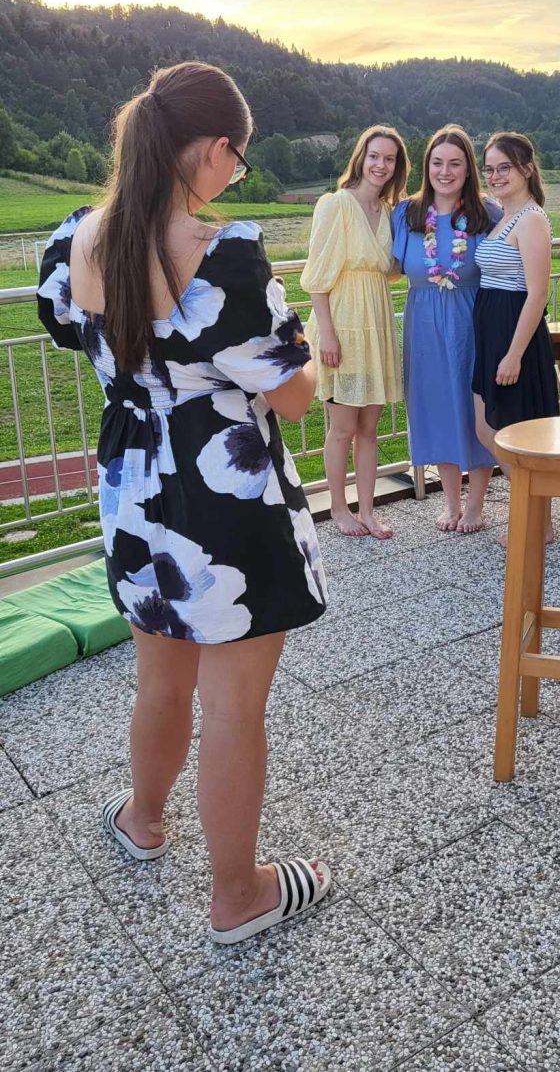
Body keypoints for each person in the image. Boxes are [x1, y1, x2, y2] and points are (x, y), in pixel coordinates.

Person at [37, 61, 331, 946]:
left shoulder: (75, 239)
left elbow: (74, 328)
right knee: (234, 708)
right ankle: (238, 894)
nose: (234, 176)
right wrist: (299, 339)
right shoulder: (224, 257)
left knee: (160, 677)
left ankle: (143, 819)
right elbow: (295, 395)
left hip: (134, 493)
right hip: (224, 501)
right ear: (213, 148)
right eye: (237, 160)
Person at [301, 125, 409, 539]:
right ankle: (338, 508)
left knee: (369, 429)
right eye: (374, 156)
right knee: (342, 427)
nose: (381, 165)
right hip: (343, 324)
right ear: (361, 157)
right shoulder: (336, 205)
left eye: (389, 159)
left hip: (375, 325)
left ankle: (367, 510)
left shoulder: (389, 212)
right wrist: (327, 334)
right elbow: (316, 277)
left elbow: (392, 270)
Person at [392, 124, 500, 532]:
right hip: (422, 323)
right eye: (437, 162)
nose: (445, 171)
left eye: (455, 163)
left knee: (474, 409)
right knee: (436, 406)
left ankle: (475, 505)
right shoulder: (407, 213)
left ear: (468, 169)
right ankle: (451, 502)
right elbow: (389, 265)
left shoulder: (486, 213)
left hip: (473, 321)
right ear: (427, 167)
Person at [472, 131, 559, 542]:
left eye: (504, 167)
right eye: (489, 169)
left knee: (516, 433)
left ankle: (538, 522)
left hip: (514, 336)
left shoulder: (532, 219)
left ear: (526, 169)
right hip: (492, 333)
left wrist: (514, 354)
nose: (495, 176)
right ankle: (536, 516)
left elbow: (537, 293)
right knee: (487, 429)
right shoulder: (504, 217)